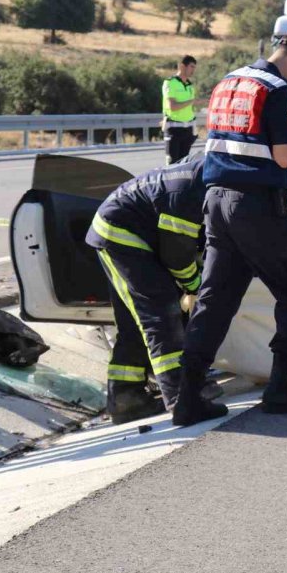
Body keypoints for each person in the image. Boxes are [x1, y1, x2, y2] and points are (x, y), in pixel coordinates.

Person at [174, 29, 287, 427]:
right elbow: (284, 157)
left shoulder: (229, 81)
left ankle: (188, 396)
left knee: (216, 299)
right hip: (257, 205)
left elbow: (241, 140)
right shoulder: (280, 89)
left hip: (217, 200)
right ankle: (280, 387)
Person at [85, 157, 223, 424]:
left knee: (135, 322)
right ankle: (181, 397)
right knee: (161, 314)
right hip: (121, 234)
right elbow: (176, 255)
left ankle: (126, 399)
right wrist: (194, 287)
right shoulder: (188, 192)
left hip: (124, 226)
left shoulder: (203, 172)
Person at [162, 55, 198, 164]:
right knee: (172, 164)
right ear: (182, 66)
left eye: (194, 67)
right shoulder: (170, 83)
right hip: (174, 130)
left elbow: (190, 109)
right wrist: (191, 102)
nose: (193, 70)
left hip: (188, 130)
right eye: (191, 67)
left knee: (184, 164)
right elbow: (172, 107)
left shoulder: (190, 86)